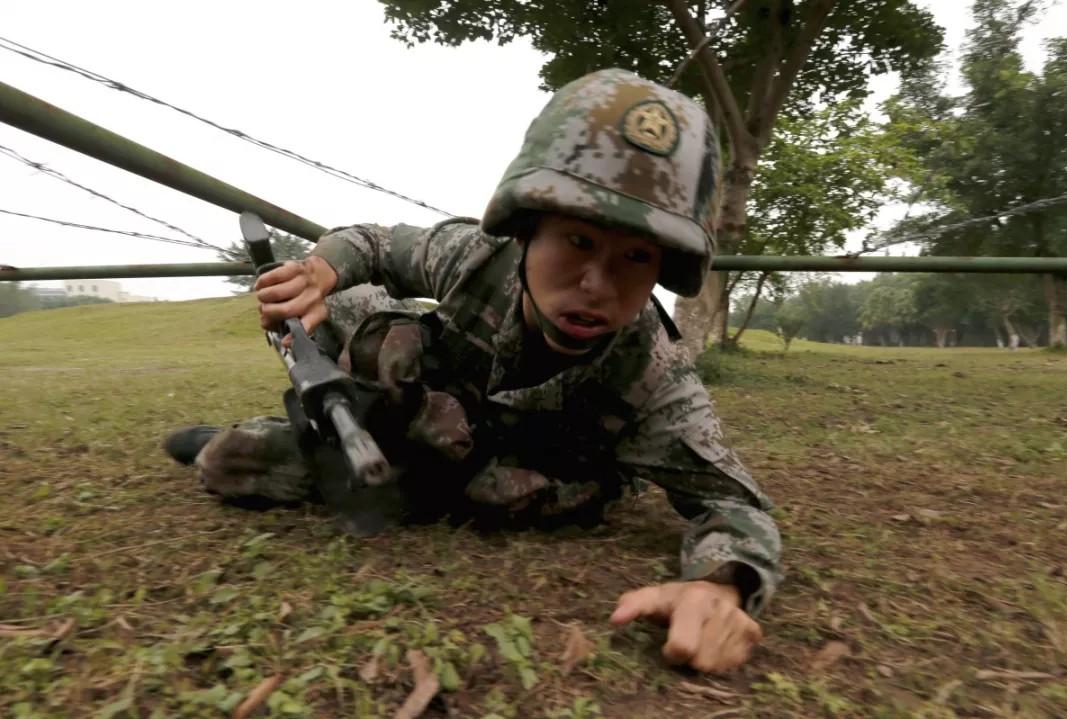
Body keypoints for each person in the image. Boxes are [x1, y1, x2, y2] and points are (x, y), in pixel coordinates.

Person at [165, 68, 782, 674]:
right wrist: (319, 271)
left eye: (636, 256)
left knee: (262, 460)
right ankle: (341, 435)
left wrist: (721, 586)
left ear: (662, 268)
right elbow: (375, 244)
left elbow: (736, 505)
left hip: (507, 476)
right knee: (238, 452)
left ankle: (380, 462)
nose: (597, 284)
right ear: (528, 229)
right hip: (423, 407)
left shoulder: (653, 375)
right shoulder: (477, 255)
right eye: (576, 242)